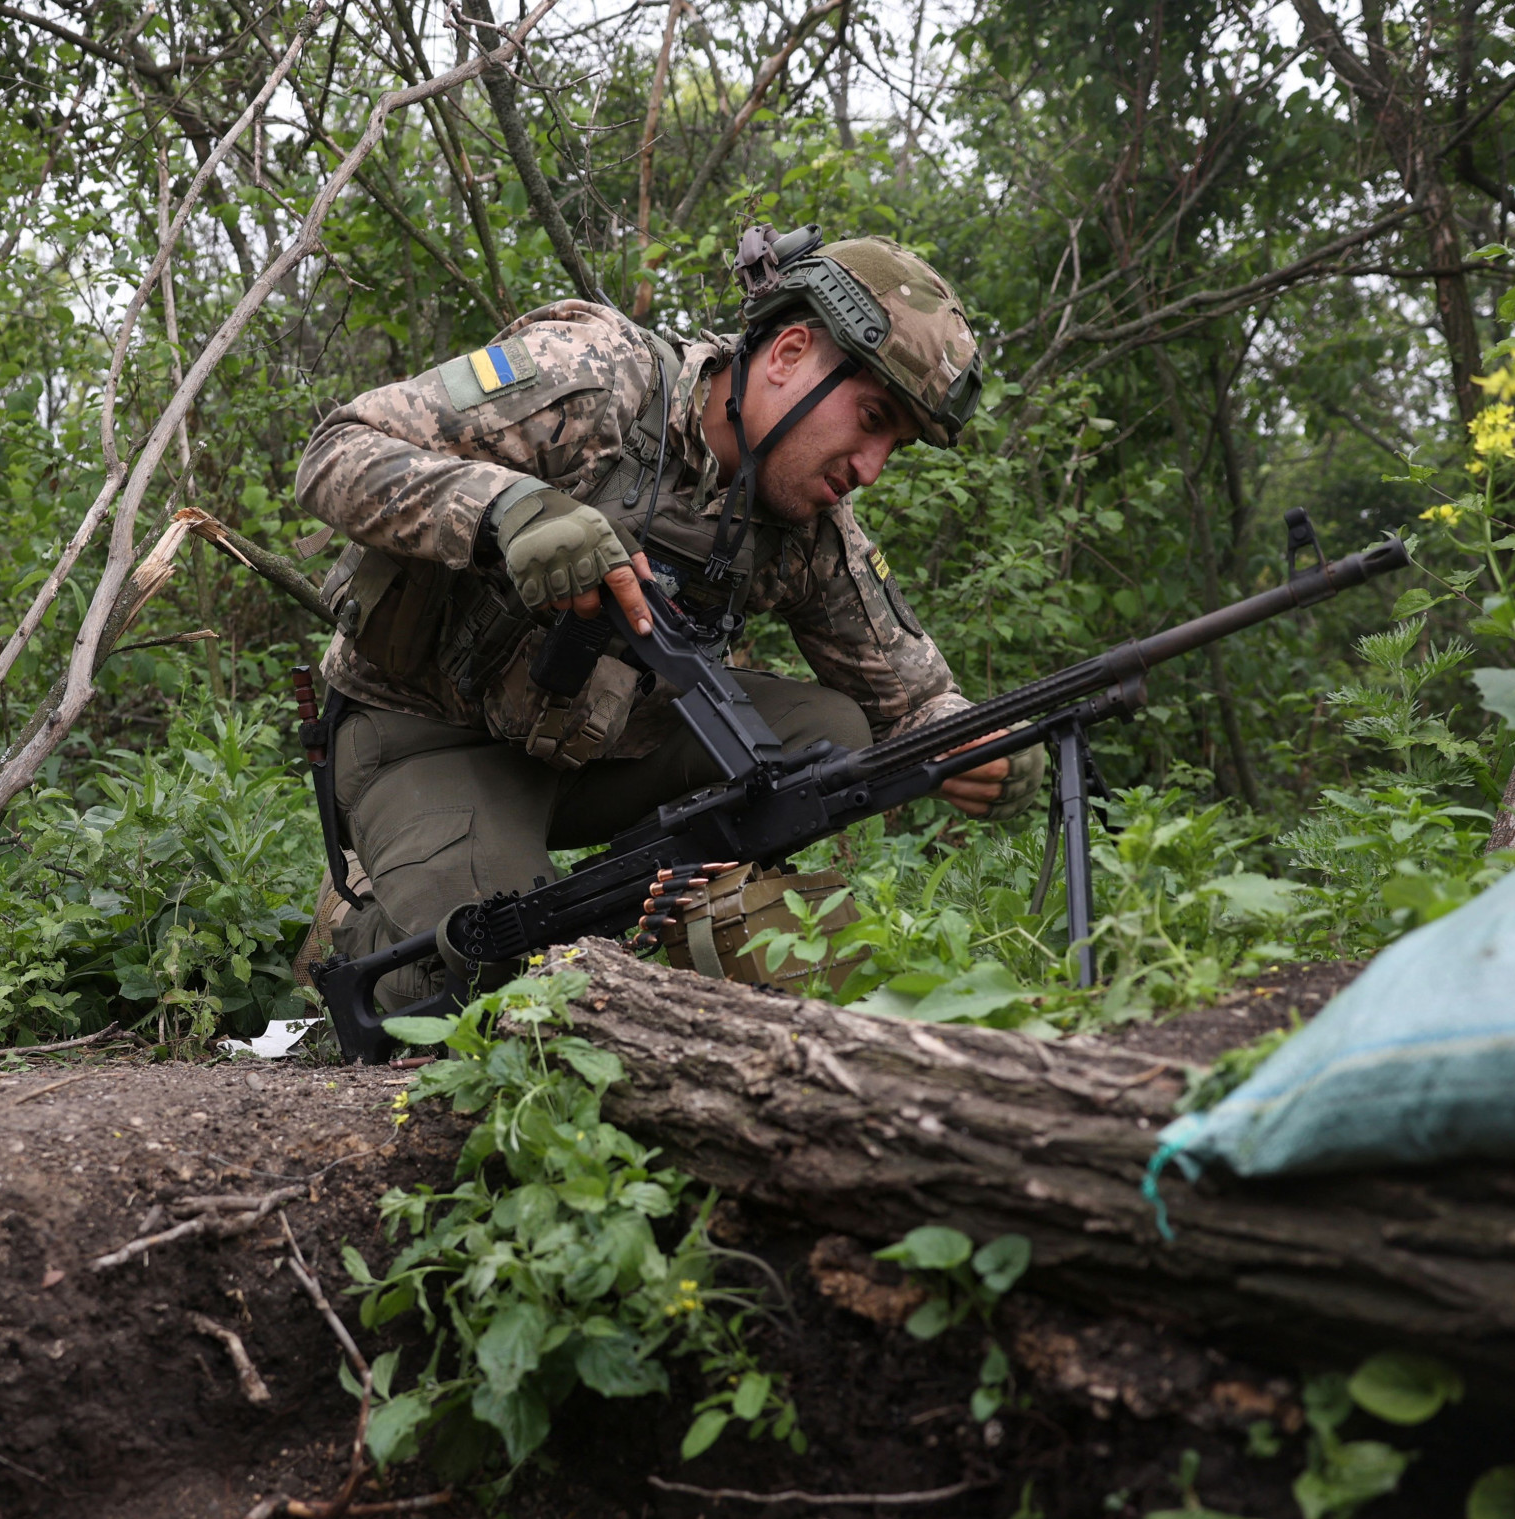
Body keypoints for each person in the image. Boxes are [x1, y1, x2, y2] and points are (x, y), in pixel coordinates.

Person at [293, 229, 1044, 1002]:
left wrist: (978, 745)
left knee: (832, 737)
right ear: (788, 354)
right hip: (426, 737)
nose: (871, 469)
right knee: (491, 986)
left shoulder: (809, 523)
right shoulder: (594, 380)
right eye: (872, 417)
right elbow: (335, 451)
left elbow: (912, 701)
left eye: (898, 445)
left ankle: (696, 932)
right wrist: (507, 511)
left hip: (603, 753)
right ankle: (367, 913)